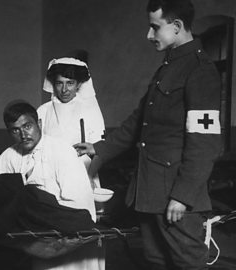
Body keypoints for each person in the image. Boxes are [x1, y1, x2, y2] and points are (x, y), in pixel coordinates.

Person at [76, 0, 222, 269]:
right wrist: (101, 148)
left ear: (176, 26)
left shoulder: (200, 71)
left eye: (155, 27)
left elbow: (205, 144)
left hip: (175, 197)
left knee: (187, 262)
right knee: (155, 261)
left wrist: (183, 196)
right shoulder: (168, 68)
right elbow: (139, 121)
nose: (149, 35)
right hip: (151, 191)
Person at [0, 102, 101, 270]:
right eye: (15, 130)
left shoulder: (61, 151)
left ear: (39, 124)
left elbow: (79, 203)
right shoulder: (12, 154)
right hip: (39, 238)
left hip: (67, 234)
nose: (23, 135)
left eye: (27, 126)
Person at [37, 57, 105, 189]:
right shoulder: (43, 111)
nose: (64, 89)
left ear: (78, 84)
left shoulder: (90, 110)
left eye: (70, 83)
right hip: (49, 177)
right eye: (59, 83)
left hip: (84, 175)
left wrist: (88, 177)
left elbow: (100, 151)